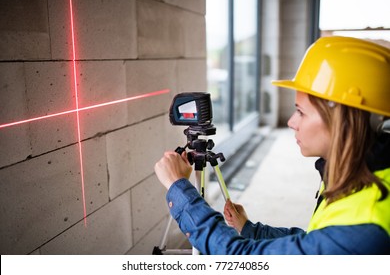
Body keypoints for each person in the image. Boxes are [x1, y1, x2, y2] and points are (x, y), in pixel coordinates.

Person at [154, 36, 390, 254]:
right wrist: (249, 229)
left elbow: (240, 259)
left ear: (344, 121)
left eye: (301, 112)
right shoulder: (366, 178)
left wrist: (179, 188)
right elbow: (313, 242)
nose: (291, 122)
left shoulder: (367, 227)